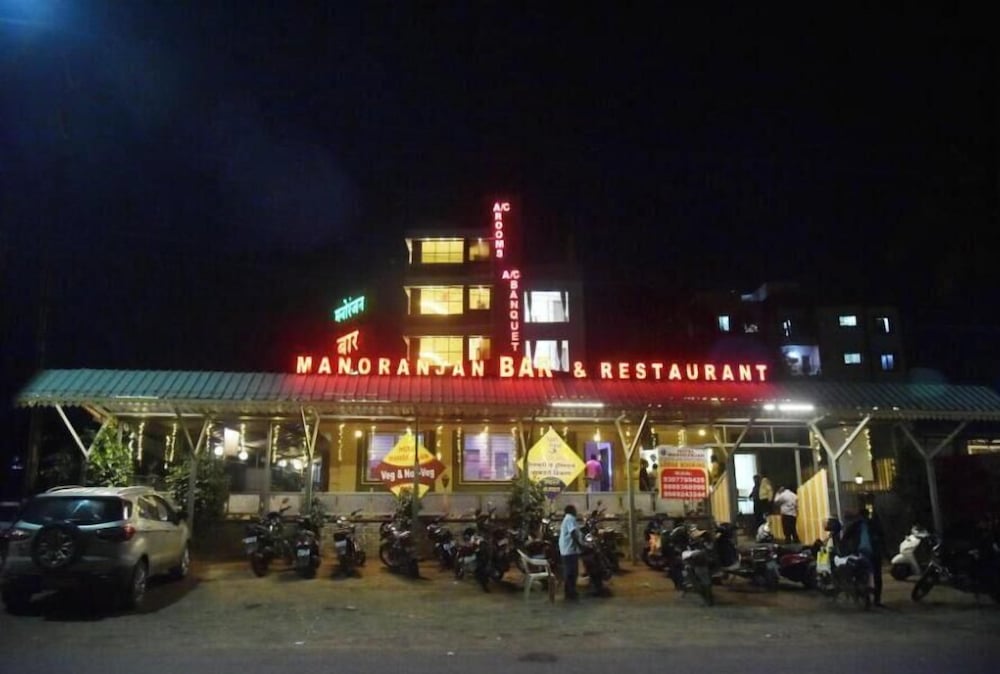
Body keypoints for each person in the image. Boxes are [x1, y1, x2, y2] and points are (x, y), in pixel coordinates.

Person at [841, 494, 886, 607]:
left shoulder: (870, 524)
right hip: (864, 553)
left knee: (875, 575)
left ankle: (875, 599)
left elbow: (881, 537)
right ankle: (869, 598)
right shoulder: (859, 525)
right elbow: (845, 538)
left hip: (871, 553)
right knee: (866, 575)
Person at [559, 504, 583, 602]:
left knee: (570, 571)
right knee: (571, 572)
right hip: (569, 550)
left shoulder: (568, 519)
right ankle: (570, 592)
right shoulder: (570, 518)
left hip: (567, 549)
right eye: (575, 510)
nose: (576, 511)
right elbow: (573, 533)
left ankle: (570, 592)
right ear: (571, 511)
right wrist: (580, 545)